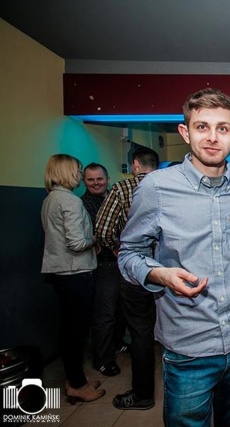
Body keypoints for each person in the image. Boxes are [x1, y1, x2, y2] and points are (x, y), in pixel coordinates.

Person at [118, 88, 230, 427]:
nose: (212, 137)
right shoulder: (156, 188)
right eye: (202, 127)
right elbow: (129, 253)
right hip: (188, 350)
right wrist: (160, 274)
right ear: (185, 132)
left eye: (222, 128)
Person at [95, 147, 159, 410]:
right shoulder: (170, 187)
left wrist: (118, 249)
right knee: (175, 326)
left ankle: (143, 394)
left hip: (136, 269)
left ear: (135, 165)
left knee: (140, 331)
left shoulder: (122, 189)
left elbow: (102, 229)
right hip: (170, 269)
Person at [41, 154, 106, 403]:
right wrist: (97, 239)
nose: (80, 175)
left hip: (60, 272)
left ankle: (75, 378)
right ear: (67, 172)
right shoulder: (69, 200)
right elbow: (77, 243)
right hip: (75, 272)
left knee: (69, 329)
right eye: (78, 171)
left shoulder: (51, 198)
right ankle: (78, 385)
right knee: (75, 332)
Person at [81, 162, 128, 378]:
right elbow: (97, 235)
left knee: (121, 310)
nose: (96, 183)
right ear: (84, 182)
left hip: (122, 262)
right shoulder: (83, 204)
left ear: (107, 179)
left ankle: (116, 344)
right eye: (90, 179)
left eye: (99, 179)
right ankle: (103, 359)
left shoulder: (115, 197)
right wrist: (114, 244)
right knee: (105, 313)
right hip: (103, 264)